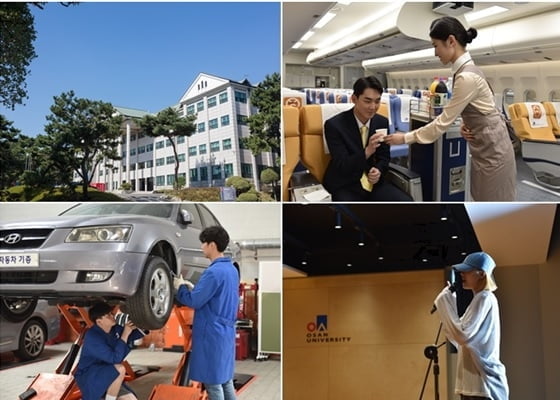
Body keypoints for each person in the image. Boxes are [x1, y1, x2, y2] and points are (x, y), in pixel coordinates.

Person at [385, 16, 516, 201]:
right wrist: (467, 122)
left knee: (494, 208)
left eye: (436, 45)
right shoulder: (466, 71)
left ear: (451, 41)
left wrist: (405, 138)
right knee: (482, 201)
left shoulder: (466, 77)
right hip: (486, 150)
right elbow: (483, 109)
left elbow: (441, 124)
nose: (435, 52)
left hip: (494, 155)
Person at [174, 226, 239, 400]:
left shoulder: (213, 272)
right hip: (225, 332)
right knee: (225, 381)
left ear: (211, 245)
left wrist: (179, 287)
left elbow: (194, 301)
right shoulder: (231, 270)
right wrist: (196, 289)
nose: (201, 247)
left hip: (211, 333)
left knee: (213, 384)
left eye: (203, 243)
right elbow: (218, 296)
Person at [322, 75, 412, 201]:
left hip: (373, 183)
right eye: (367, 101)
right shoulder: (334, 126)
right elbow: (342, 165)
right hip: (345, 184)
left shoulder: (381, 122)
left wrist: (378, 170)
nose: (373, 107)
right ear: (354, 99)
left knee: (406, 203)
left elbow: (384, 157)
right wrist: (368, 151)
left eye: (377, 101)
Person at [434, 252, 509, 400]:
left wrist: (445, 303)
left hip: (482, 386)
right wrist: (448, 304)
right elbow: (457, 335)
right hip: (471, 386)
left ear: (481, 274)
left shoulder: (485, 298)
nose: (462, 274)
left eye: (467, 270)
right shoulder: (478, 299)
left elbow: (462, 336)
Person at [74, 302, 146, 400]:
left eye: (111, 314)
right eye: (108, 316)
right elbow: (115, 359)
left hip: (109, 374)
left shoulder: (114, 329)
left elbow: (133, 335)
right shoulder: (93, 336)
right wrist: (125, 334)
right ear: (99, 321)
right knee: (120, 369)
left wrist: (146, 323)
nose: (112, 316)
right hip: (91, 376)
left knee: (131, 399)